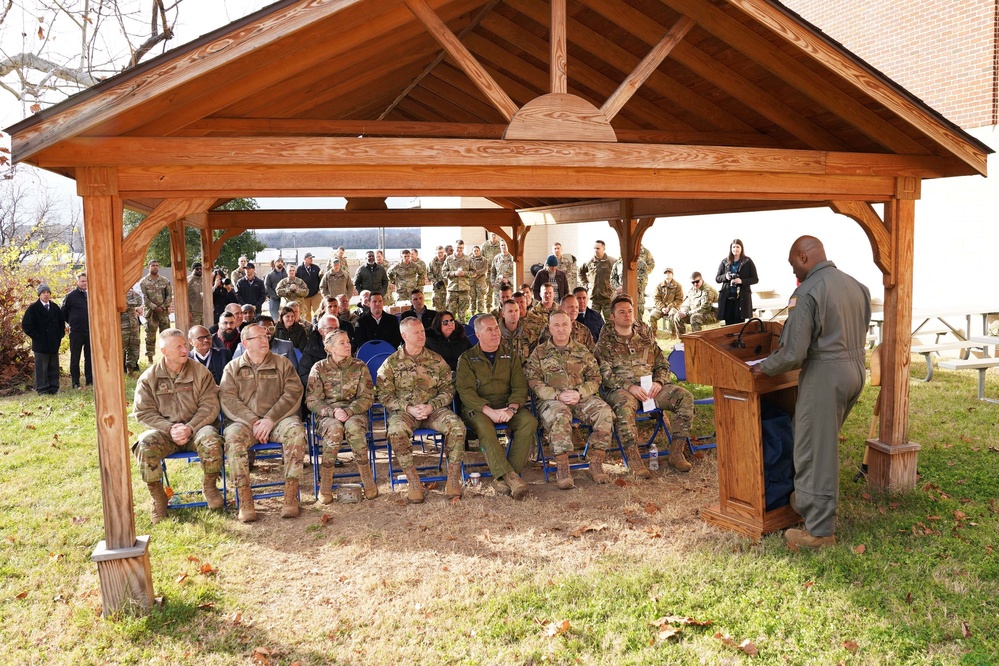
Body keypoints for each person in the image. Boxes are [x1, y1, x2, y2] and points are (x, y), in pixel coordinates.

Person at [752, 236, 871, 550]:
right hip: (855, 371)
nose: (796, 274)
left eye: (794, 266)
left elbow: (792, 353)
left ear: (804, 256)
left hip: (825, 375)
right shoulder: (856, 285)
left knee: (814, 452)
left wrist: (764, 367)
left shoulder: (808, 291)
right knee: (823, 444)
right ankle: (804, 500)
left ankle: (818, 532)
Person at [595, 295, 695, 477]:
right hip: (621, 390)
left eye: (630, 311)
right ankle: (634, 459)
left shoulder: (644, 339)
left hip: (650, 388)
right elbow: (604, 374)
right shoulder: (605, 344)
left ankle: (677, 452)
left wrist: (659, 382)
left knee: (685, 397)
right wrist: (629, 387)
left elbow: (663, 364)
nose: (627, 315)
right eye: (621, 312)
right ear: (612, 317)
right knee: (624, 406)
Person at [133, 328, 225, 523]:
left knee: (211, 438)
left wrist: (189, 427)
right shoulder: (149, 378)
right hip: (166, 433)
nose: (185, 350)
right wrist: (170, 429)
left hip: (197, 429)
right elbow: (143, 412)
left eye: (185, 345)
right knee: (144, 443)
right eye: (178, 347)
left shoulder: (200, 372)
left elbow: (209, 405)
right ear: (164, 351)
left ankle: (209, 486)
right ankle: (158, 497)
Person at [220, 323, 308, 522]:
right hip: (244, 422)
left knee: (295, 431)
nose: (264, 339)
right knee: (233, 438)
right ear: (245, 343)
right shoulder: (233, 368)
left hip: (278, 420)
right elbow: (228, 398)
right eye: (257, 337)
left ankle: (291, 495)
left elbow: (293, 392)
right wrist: (253, 421)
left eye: (265, 335)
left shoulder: (282, 363)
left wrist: (270, 419)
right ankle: (245, 499)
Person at [377, 317, 467, 502]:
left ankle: (453, 478)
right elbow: (384, 395)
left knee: (457, 426)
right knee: (395, 432)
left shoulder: (436, 360)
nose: (421, 335)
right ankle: (413, 480)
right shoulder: (391, 364)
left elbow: (448, 389)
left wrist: (431, 405)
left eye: (422, 332)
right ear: (404, 335)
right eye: (416, 332)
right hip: (405, 413)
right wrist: (408, 408)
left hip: (433, 410)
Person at [525, 312, 614, 489]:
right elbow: (533, 381)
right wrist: (557, 395)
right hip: (551, 401)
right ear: (549, 328)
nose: (560, 329)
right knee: (560, 413)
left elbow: (595, 378)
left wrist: (579, 393)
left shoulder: (582, 350)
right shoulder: (539, 353)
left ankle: (595, 461)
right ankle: (563, 466)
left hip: (580, 398)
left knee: (604, 412)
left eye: (564, 324)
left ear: (571, 326)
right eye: (556, 325)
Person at [456, 315, 537, 499]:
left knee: (529, 422)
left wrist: (512, 409)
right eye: (489, 330)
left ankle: (503, 479)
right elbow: (466, 392)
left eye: (496, 328)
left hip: (506, 406)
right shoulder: (467, 359)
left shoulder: (510, 356)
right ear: (477, 334)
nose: (495, 333)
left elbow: (520, 387)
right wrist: (489, 411)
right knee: (484, 427)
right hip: (477, 408)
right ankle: (511, 477)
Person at [306, 329, 377, 503]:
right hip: (327, 415)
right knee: (334, 428)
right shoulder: (319, 368)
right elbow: (312, 399)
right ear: (329, 348)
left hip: (354, 413)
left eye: (348, 342)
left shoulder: (359, 366)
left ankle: (367, 477)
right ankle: (326, 482)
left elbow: (367, 396)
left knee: (353, 427)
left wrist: (349, 411)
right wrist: (332, 412)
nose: (348, 345)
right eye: (342, 343)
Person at [21, 283, 65, 395]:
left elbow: (61, 323)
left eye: (47, 292)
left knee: (53, 367)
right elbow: (26, 325)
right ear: (39, 295)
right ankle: (42, 389)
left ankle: (54, 388)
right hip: (40, 344)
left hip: (53, 343)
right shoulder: (33, 308)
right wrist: (37, 337)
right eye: (43, 293)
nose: (46, 295)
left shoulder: (55, 307)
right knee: (41, 368)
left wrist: (59, 335)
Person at [715, 239, 759, 326]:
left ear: (741, 248)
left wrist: (741, 281)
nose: (736, 249)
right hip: (727, 297)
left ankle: (738, 339)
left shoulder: (747, 261)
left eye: (738, 247)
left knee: (739, 324)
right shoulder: (725, 262)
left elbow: (755, 279)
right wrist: (726, 277)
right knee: (729, 324)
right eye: (734, 247)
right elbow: (717, 278)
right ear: (731, 248)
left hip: (741, 297)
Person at [235, 314, 300, 370]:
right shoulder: (243, 346)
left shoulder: (286, 346)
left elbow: (293, 371)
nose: (267, 332)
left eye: (271, 329)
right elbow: (236, 371)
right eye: (263, 329)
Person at [62, 272, 91, 389]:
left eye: (86, 281)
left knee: (89, 357)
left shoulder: (92, 294)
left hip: (90, 331)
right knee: (75, 357)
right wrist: (72, 322)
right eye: (82, 281)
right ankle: (75, 382)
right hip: (76, 332)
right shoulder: (71, 296)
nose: (84, 283)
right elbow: (63, 312)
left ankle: (90, 380)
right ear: (77, 282)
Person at [140, 260, 173, 364]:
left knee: (166, 335)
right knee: (150, 336)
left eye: (157, 265)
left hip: (163, 313)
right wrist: (154, 307)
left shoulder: (164, 280)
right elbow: (144, 297)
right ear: (149, 267)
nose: (155, 267)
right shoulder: (144, 282)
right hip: (150, 314)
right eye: (153, 265)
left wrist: (163, 307)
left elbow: (169, 295)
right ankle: (150, 358)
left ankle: (168, 357)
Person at [578, 240, 616, 321]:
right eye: (594, 248)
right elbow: (580, 272)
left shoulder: (611, 261)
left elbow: (620, 273)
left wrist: (615, 288)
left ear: (603, 248)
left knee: (611, 322)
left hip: (607, 298)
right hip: (594, 298)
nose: (596, 250)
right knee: (593, 321)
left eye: (598, 248)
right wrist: (586, 285)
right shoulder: (589, 262)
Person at [499, 298, 539, 362]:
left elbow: (535, 358)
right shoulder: (496, 335)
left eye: (516, 310)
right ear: (503, 314)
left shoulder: (529, 334)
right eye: (510, 311)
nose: (514, 314)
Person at [442, 239, 473, 323]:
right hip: (452, 290)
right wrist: (454, 273)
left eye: (461, 248)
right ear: (454, 247)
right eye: (458, 247)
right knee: (450, 314)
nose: (459, 250)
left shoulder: (468, 259)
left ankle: (461, 333)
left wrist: (465, 273)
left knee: (462, 315)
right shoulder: (449, 259)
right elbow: (444, 272)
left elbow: (473, 272)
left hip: (464, 290)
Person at [649, 268, 684, 338]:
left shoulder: (678, 286)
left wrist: (669, 307)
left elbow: (679, 300)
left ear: (672, 274)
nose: (667, 274)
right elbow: (656, 298)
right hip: (660, 308)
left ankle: (673, 333)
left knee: (673, 314)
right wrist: (662, 308)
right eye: (666, 273)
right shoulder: (659, 286)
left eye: (669, 272)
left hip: (673, 308)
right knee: (652, 315)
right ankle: (653, 334)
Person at [120, 287, 144, 374]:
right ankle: (120, 371)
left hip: (133, 325)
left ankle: (131, 370)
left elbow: (139, 301)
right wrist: (123, 305)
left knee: (134, 347)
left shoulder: (131, 293)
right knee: (121, 349)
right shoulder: (114, 293)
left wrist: (127, 303)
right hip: (122, 326)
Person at [297, 252, 323, 322]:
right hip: (305, 296)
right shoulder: (299, 269)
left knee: (318, 311)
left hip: (315, 294)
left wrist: (319, 290)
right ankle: (309, 329)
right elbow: (297, 282)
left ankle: (318, 325)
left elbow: (321, 279)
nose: (311, 259)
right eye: (310, 258)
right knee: (307, 314)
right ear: (305, 259)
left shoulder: (316, 268)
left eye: (312, 258)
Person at [490, 240, 516, 308]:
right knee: (497, 305)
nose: (503, 247)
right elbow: (493, 272)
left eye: (505, 245)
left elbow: (516, 272)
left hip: (509, 285)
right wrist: (493, 282)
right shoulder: (496, 258)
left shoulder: (512, 258)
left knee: (510, 305)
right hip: (498, 286)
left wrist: (508, 280)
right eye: (502, 245)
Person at [481, 233, 502, 307]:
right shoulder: (485, 245)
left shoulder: (501, 245)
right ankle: (488, 307)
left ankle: (499, 306)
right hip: (488, 271)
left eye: (495, 234)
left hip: (499, 272)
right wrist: (485, 267)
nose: (494, 236)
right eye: (492, 234)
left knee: (499, 290)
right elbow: (481, 258)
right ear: (490, 235)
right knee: (488, 290)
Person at [468, 244, 490, 315]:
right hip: (471, 282)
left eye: (477, 251)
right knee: (472, 298)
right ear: (472, 251)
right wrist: (472, 274)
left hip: (480, 281)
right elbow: (466, 269)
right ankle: (472, 313)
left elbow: (485, 269)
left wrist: (476, 273)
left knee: (480, 298)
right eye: (474, 251)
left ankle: (481, 314)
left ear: (479, 251)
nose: (476, 252)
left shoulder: (484, 259)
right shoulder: (468, 259)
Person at [428, 245, 448, 311]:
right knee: (436, 309)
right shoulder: (432, 263)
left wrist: (444, 281)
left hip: (448, 288)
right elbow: (429, 273)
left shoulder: (449, 261)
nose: (440, 254)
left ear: (444, 252)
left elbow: (452, 272)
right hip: (437, 289)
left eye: (441, 252)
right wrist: (435, 282)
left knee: (448, 309)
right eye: (438, 253)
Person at [188, 262, 205, 326]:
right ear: (193, 270)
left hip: (204, 311)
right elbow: (184, 298)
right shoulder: (189, 281)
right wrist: (188, 312)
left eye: (201, 269)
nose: (200, 270)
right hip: (194, 312)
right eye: (197, 269)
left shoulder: (204, 279)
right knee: (194, 332)